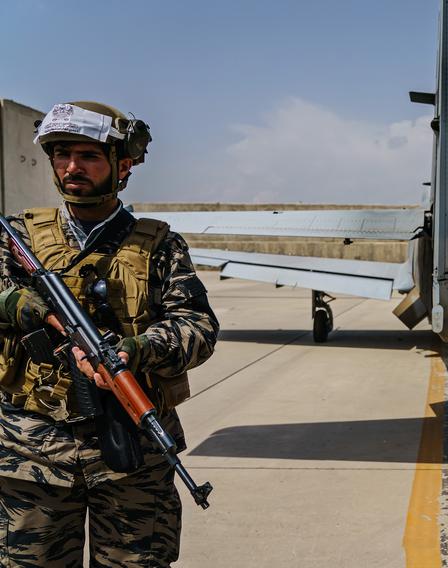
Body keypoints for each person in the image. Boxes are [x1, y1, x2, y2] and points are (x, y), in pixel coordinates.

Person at [0, 101, 219, 566]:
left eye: (89, 156)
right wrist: (23, 307)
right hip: (31, 452)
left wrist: (134, 351)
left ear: (123, 166)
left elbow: (197, 327)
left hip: (132, 454)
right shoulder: (17, 236)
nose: (72, 167)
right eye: (62, 155)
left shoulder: (159, 244)